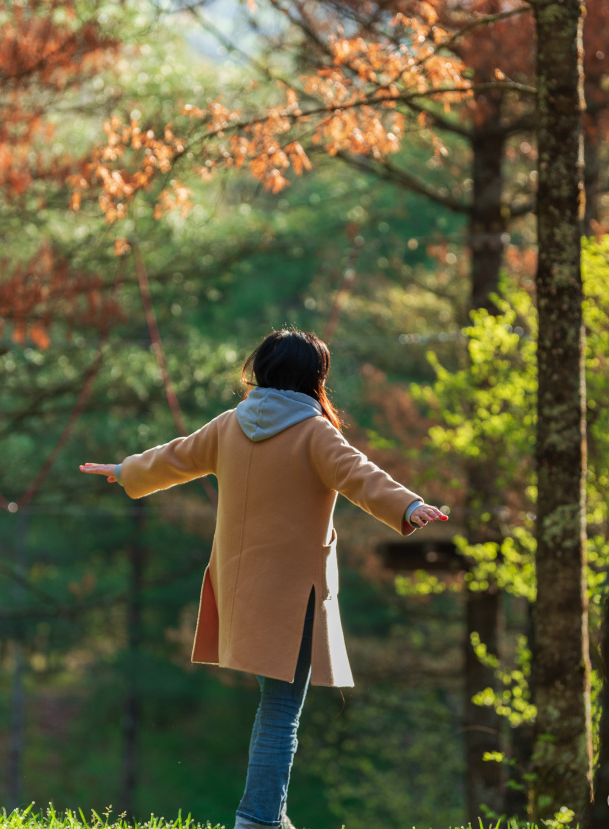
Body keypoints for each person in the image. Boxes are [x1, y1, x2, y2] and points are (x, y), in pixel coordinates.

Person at [80, 328, 447, 829]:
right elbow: (359, 475)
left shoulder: (231, 424)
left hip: (241, 592)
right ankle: (259, 819)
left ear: (264, 369)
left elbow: (175, 457)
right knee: (280, 714)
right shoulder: (315, 432)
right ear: (314, 377)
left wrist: (125, 470)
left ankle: (269, 815)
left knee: (274, 707)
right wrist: (409, 504)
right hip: (293, 598)